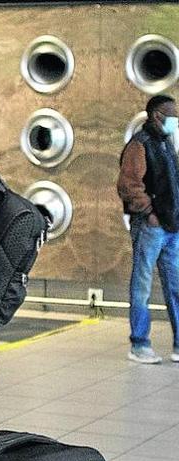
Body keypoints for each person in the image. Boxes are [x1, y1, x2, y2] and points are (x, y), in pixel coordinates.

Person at [117, 93, 179, 365]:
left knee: (175, 285)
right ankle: (139, 344)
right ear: (157, 115)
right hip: (151, 227)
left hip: (171, 226)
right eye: (172, 113)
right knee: (142, 285)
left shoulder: (165, 143)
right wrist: (148, 212)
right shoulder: (139, 145)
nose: (175, 119)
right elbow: (128, 185)